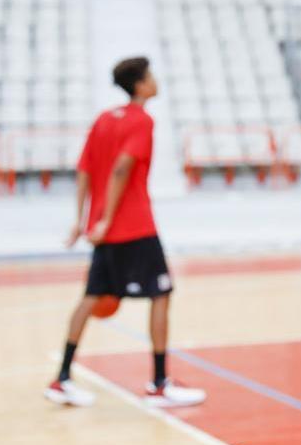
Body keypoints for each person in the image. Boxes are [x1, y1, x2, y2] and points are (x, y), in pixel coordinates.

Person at [44, 57, 205, 408]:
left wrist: (83, 219)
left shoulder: (103, 119)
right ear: (141, 83)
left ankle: (62, 378)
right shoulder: (142, 121)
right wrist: (106, 220)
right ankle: (160, 383)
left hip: (105, 230)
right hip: (133, 226)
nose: (155, 80)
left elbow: (84, 169)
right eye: (151, 75)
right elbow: (121, 170)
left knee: (89, 300)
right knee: (161, 294)